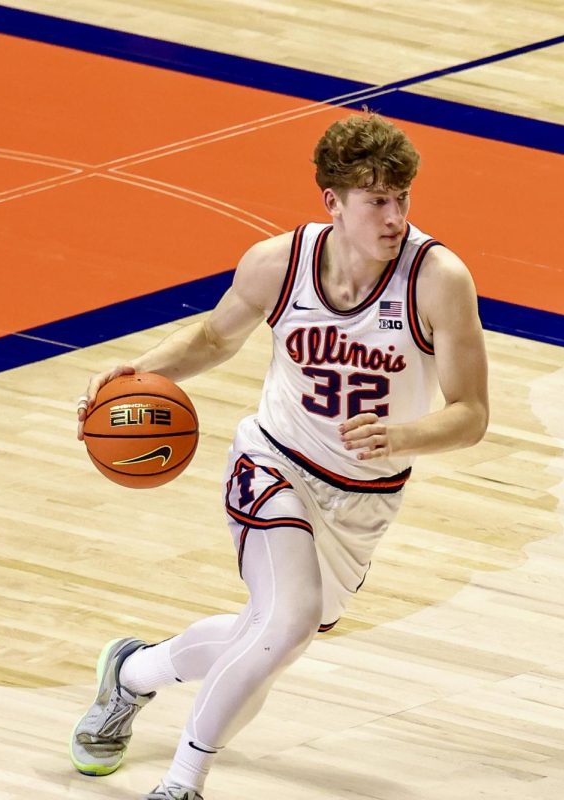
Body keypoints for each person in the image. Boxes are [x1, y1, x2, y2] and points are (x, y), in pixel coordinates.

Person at [69, 112, 489, 800]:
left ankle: (134, 672)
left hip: (363, 500)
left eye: (402, 200)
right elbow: (213, 339)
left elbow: (471, 415)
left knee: (264, 636)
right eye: (376, 201)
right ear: (333, 202)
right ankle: (183, 784)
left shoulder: (438, 279)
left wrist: (404, 435)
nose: (394, 217)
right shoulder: (277, 263)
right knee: (286, 624)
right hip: (274, 463)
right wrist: (135, 371)